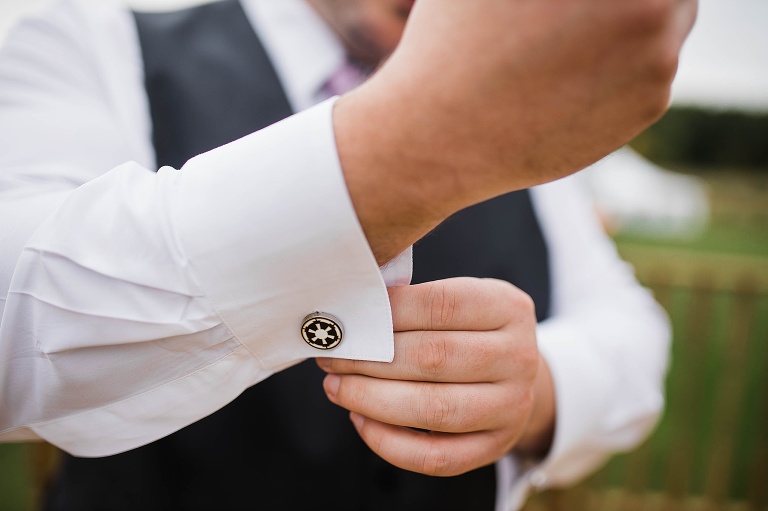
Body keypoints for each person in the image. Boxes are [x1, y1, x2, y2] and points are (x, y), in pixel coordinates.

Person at [0, 0, 695, 509]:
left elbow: (631, 333)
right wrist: (413, 144)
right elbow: (20, 311)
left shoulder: (527, 104)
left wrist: (536, 389)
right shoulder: (92, 38)